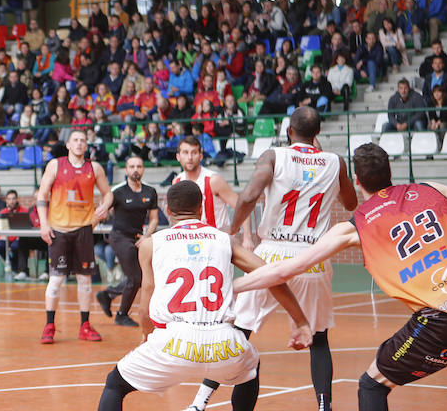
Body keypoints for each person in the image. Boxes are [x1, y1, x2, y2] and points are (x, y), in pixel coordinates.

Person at [234, 143, 447, 411]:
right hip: (443, 315)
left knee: (372, 385)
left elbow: (282, 271)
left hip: (441, 319)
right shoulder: (432, 189)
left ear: (357, 181)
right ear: (390, 171)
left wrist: (233, 286)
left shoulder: (354, 227)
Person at [187, 106, 358, 411]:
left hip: (272, 253)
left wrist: (236, 227)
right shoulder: (335, 162)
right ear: (316, 135)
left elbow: (250, 195)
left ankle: (200, 403)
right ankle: (324, 406)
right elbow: (351, 201)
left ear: (289, 131)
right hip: (313, 258)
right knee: (318, 338)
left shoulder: (274, 156)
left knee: (237, 332)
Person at [96, 181, 312, 411]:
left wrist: (147, 336)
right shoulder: (224, 240)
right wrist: (300, 321)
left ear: (168, 211)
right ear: (201, 208)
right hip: (223, 342)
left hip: (173, 342)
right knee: (250, 368)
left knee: (114, 385)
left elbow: (146, 305)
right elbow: (273, 276)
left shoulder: (150, 244)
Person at [36, 130, 112, 344]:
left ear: (86, 145)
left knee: (84, 280)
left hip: (84, 230)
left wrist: (105, 206)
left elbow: (108, 193)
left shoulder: (94, 168)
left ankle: (84, 325)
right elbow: (42, 194)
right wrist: (43, 223)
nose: (79, 143)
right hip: (59, 230)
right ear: (68, 144)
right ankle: (49, 325)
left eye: (83, 140)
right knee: (56, 280)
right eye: (75, 140)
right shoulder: (56, 165)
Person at [94, 157, 160, 326]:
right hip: (119, 237)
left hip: (139, 238)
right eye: (131, 166)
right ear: (126, 170)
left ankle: (108, 294)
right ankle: (121, 315)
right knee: (136, 278)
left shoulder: (150, 192)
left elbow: (153, 219)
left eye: (139, 166)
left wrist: (147, 236)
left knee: (139, 277)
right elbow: (104, 207)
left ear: (143, 169)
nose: (135, 169)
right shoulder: (118, 192)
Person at [172, 136, 254, 249]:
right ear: (178, 156)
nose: (190, 157)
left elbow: (242, 207)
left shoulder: (213, 180)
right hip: (191, 244)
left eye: (194, 153)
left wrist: (247, 238)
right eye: (185, 153)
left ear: (201, 156)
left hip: (217, 243)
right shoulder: (177, 182)